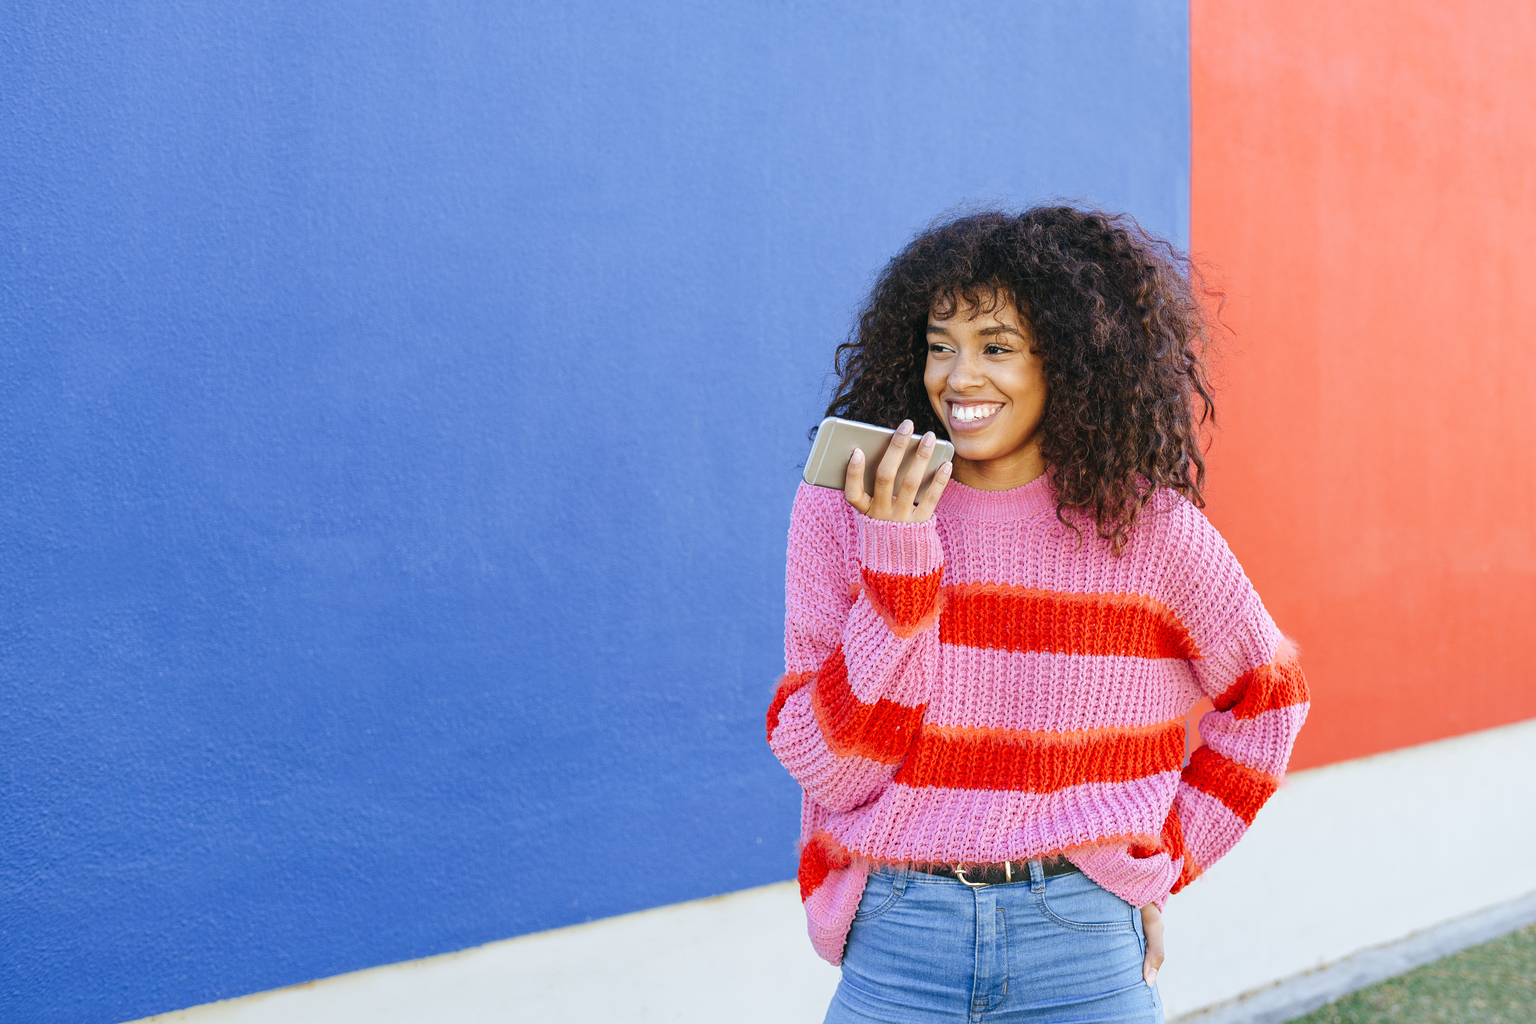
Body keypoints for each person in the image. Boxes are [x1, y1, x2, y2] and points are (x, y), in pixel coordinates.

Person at [766, 207, 1309, 1023]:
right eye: (940, 345)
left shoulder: (1150, 530)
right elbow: (837, 770)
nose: (958, 377)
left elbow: (1269, 702)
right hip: (900, 939)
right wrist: (901, 560)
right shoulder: (843, 516)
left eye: (996, 347)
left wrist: (1157, 864)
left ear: (1070, 361)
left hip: (1079, 944)